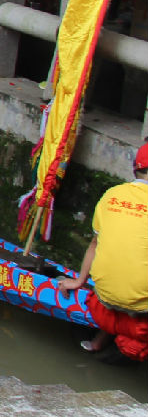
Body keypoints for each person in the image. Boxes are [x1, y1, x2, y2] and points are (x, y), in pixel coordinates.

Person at [60, 142, 148, 360]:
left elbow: (95, 245)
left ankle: (98, 342)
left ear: (134, 169)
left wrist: (79, 281)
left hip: (103, 300)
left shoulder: (112, 195)